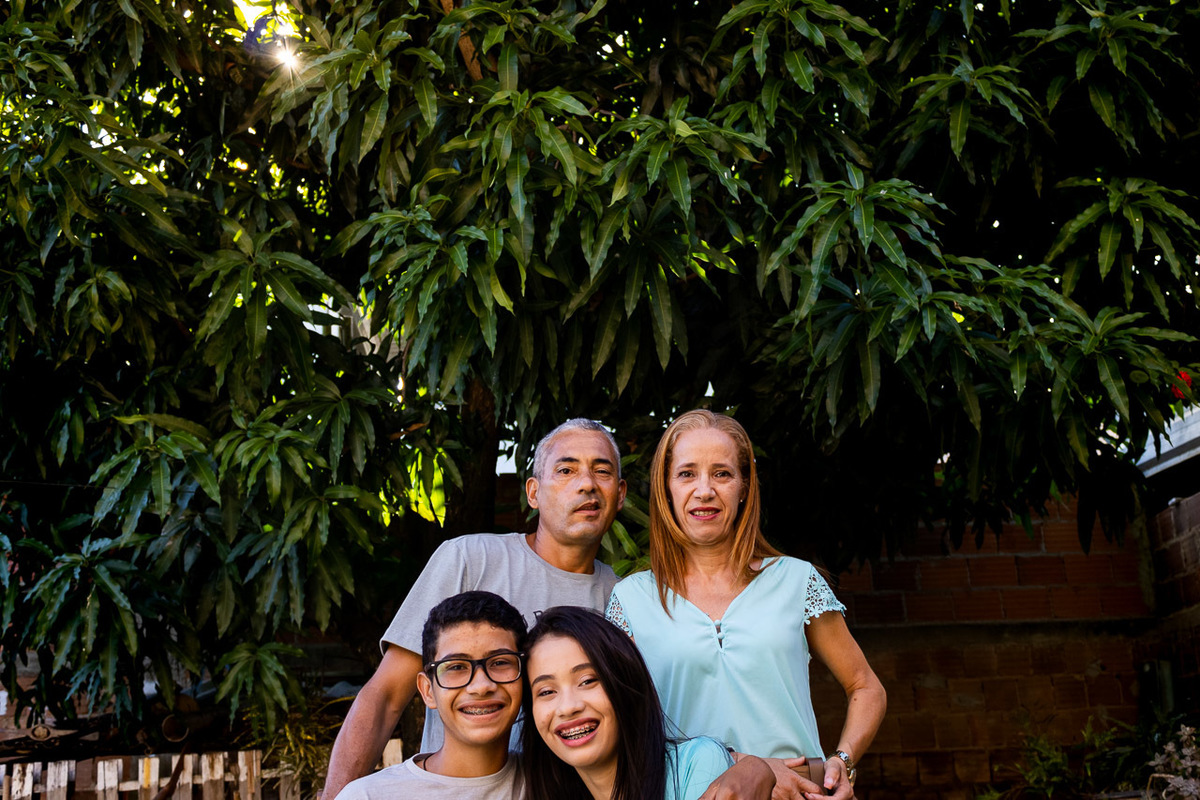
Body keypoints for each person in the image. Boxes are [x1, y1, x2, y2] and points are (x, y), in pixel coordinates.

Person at [323, 419, 628, 800]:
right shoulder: (470, 558)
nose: (586, 484)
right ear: (533, 492)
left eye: (602, 471)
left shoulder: (624, 598)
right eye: (566, 470)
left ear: (619, 494)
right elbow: (385, 696)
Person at [605, 410, 887, 800]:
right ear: (666, 488)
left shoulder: (796, 580)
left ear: (743, 486)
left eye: (721, 473)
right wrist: (741, 763)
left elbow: (865, 686)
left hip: (801, 793)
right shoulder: (631, 600)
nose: (704, 490)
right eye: (687, 474)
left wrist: (844, 761)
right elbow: (626, 728)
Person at [521, 606, 776, 800]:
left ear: (625, 683)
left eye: (587, 680)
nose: (568, 707)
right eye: (546, 692)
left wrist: (758, 767)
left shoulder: (696, 764)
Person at [336, 591, 526, 799]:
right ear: (427, 690)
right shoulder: (368, 796)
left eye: (500, 662)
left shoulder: (553, 784)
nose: (481, 686)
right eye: (456, 667)